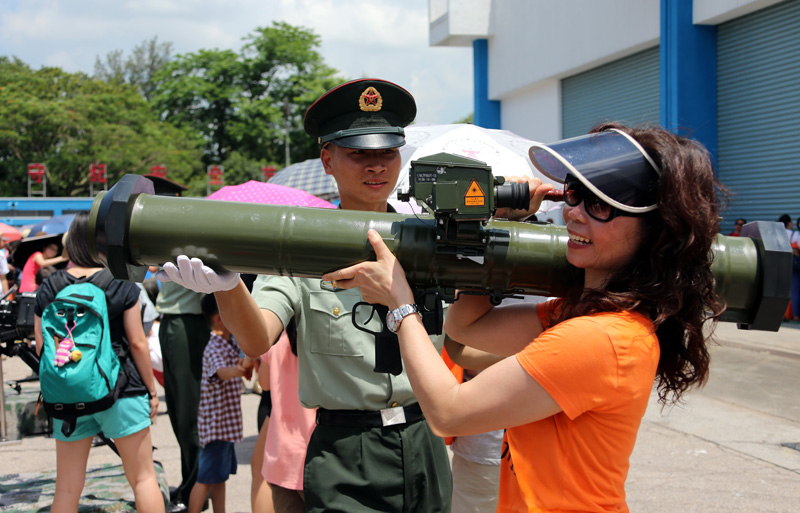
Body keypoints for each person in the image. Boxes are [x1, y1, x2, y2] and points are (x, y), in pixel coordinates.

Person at [321, 123, 726, 513]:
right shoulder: (580, 313)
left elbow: (449, 412)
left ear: (655, 231)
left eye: (600, 205)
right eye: (574, 195)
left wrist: (400, 303)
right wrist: (495, 220)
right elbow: (468, 329)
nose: (575, 215)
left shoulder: (601, 337)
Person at [157, 79, 458, 513]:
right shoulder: (301, 246)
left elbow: (465, 340)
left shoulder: (426, 242)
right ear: (328, 160)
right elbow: (258, 337)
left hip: (424, 439)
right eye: (359, 153)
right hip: (347, 452)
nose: (376, 166)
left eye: (386, 152)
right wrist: (229, 287)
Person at [33, 212, 163, 513]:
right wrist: (152, 390)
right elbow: (137, 343)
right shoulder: (121, 283)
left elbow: (44, 349)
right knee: (143, 479)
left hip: (69, 397)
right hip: (121, 390)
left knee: (66, 487)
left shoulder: (50, 286)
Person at [188, 294, 253, 513]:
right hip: (216, 428)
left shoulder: (227, 344)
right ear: (219, 319)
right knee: (205, 479)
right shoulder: (215, 346)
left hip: (223, 428)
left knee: (218, 477)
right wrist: (236, 370)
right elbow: (220, 372)